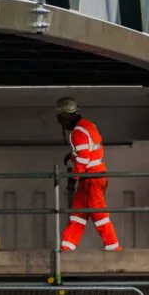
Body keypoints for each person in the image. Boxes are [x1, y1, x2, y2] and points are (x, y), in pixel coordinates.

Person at [54, 97, 121, 251]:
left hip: (91, 179)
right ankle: (66, 249)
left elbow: (83, 160)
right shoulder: (88, 125)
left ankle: (114, 250)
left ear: (66, 116)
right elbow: (88, 151)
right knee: (78, 215)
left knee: (100, 217)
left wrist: (73, 179)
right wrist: (72, 155)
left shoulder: (77, 132)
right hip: (92, 178)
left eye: (61, 118)